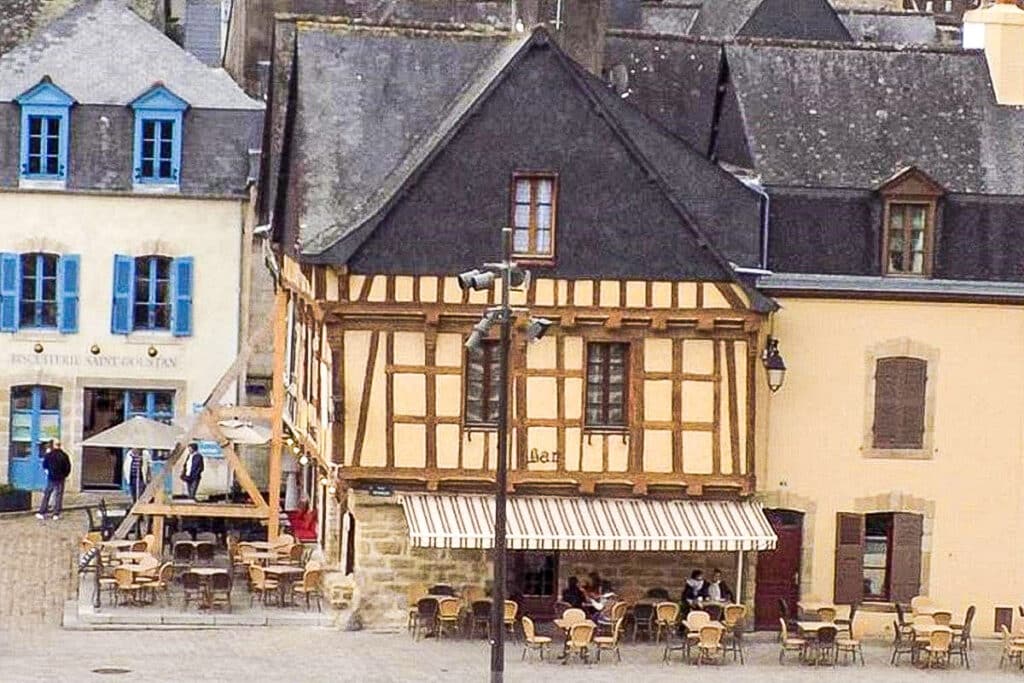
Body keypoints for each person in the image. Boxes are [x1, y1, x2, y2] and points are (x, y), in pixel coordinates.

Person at [36, 439, 72, 520]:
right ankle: (56, 513)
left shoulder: (49, 455)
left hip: (51, 477)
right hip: (61, 477)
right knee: (59, 495)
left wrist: (48, 472)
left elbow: (45, 465)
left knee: (47, 494)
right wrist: (64, 475)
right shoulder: (64, 455)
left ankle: (42, 511)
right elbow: (68, 467)